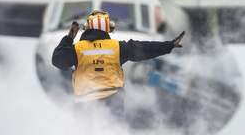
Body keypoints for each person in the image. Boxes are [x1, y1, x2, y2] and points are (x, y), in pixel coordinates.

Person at [51, 9, 185, 120]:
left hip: (85, 104)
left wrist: (69, 38)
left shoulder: (77, 48)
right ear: (107, 28)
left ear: (88, 27)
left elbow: (57, 60)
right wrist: (169, 45)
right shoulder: (118, 47)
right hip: (113, 102)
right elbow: (145, 49)